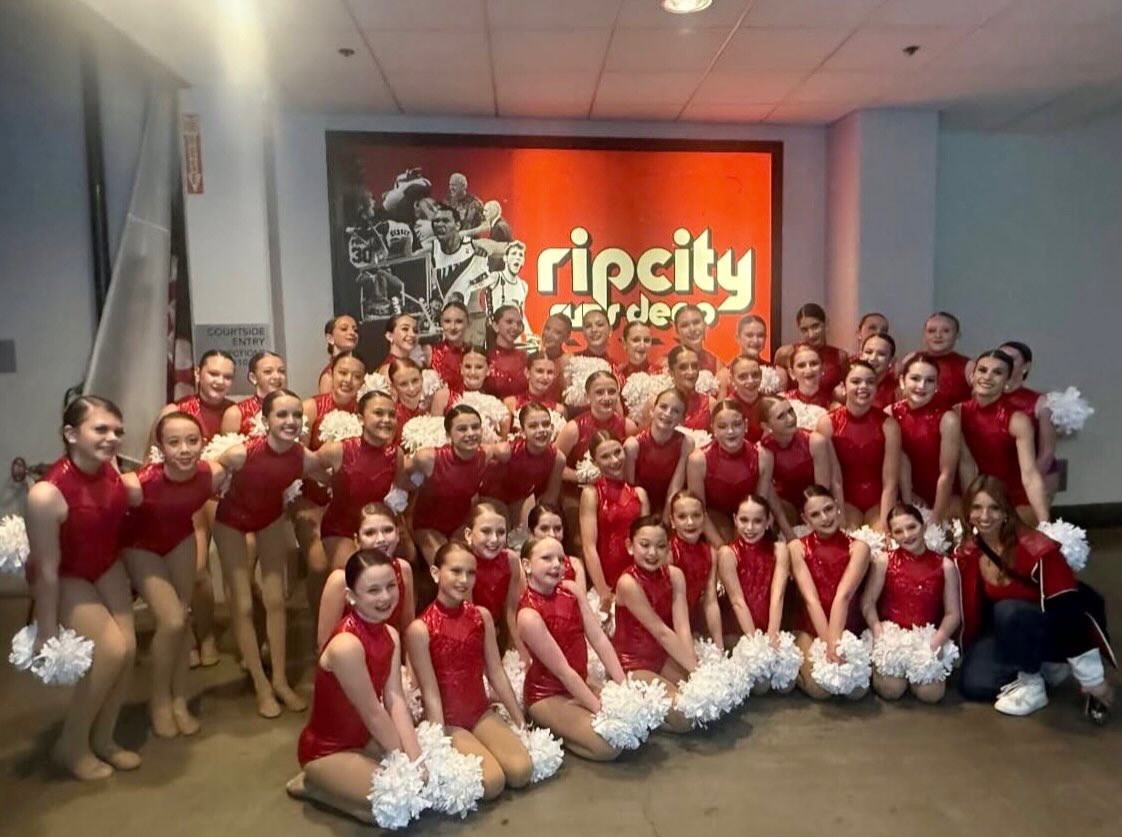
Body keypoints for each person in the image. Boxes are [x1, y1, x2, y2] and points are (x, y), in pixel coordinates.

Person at [25, 396, 137, 780]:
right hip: (67, 572)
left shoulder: (111, 468)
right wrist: (46, 630)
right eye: (101, 429)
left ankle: (103, 738)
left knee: (129, 649)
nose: (112, 438)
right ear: (70, 434)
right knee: (110, 650)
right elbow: (46, 570)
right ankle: (70, 745)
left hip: (105, 564)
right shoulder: (46, 494)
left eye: (117, 431)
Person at [955, 476, 1114, 721]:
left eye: (994, 508)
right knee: (974, 685)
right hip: (1008, 631)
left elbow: (1068, 610)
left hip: (1051, 628)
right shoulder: (969, 551)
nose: (984, 516)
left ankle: (1034, 680)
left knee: (1009, 610)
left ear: (1007, 511)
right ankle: (1044, 668)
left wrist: (1092, 679)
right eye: (977, 507)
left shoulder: (1037, 549)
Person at [213, 389, 325, 717]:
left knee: (277, 601)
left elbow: (331, 472)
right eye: (282, 415)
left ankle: (279, 680)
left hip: (269, 520)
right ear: (265, 421)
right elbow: (208, 479)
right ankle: (261, 685)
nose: (290, 422)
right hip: (231, 523)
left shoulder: (301, 456)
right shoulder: (240, 453)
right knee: (244, 603)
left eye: (296, 415)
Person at [288, 550, 422, 824]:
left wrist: (416, 760)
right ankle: (316, 783)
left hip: (364, 739)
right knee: (394, 803)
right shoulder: (346, 645)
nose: (385, 597)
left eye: (390, 586)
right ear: (351, 596)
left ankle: (340, 781)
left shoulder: (391, 635)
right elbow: (373, 711)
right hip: (328, 751)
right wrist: (404, 766)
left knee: (420, 786)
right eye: (373, 590)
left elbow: (395, 700)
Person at [121, 412, 226, 738]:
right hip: (140, 546)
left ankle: (179, 698)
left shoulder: (212, 474)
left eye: (192, 441)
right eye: (174, 442)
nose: (184, 449)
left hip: (179, 539)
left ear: (203, 443)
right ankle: (159, 701)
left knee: (183, 617)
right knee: (172, 621)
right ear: (160, 447)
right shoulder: (142, 483)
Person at [406, 541, 532, 800]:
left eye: (471, 573)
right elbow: (430, 692)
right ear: (435, 573)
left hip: (480, 711)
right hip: (449, 720)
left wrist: (520, 720)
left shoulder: (480, 616)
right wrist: (439, 743)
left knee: (521, 771)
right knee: (492, 782)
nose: (464, 580)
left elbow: (496, 672)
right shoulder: (421, 629)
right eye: (455, 571)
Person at [153, 349, 235, 669]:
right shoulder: (176, 411)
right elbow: (155, 457)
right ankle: (195, 635)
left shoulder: (235, 410)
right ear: (199, 374)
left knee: (236, 570)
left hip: (221, 495)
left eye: (227, 376)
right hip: (186, 497)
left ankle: (217, 632)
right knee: (196, 572)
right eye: (214, 374)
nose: (220, 381)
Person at [516, 536, 625, 761]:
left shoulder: (571, 590)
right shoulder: (529, 615)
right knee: (610, 745)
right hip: (546, 694)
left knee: (628, 720)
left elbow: (599, 639)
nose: (557, 564)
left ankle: (575, 720)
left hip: (578, 681)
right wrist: (598, 709)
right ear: (526, 565)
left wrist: (624, 686)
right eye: (546, 558)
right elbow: (563, 671)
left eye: (560, 558)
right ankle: (555, 728)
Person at [860, 504, 960, 703]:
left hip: (926, 638)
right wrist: (879, 631)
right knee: (891, 690)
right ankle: (890, 673)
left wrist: (935, 642)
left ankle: (914, 677)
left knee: (932, 695)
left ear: (923, 526)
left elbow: (953, 613)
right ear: (892, 535)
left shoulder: (945, 565)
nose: (907, 535)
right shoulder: (884, 561)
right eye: (898, 531)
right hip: (891, 636)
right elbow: (868, 602)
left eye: (911, 527)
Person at [295, 352, 366, 623]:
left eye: (356, 376)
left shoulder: (365, 411)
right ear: (331, 375)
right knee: (317, 565)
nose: (349, 380)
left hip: (349, 501)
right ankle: (319, 624)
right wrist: (326, 477)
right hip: (311, 496)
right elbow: (297, 455)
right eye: (343, 373)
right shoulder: (311, 407)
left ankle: (350, 622)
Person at [611, 516, 695, 733]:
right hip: (634, 664)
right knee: (685, 716)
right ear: (630, 546)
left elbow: (682, 627)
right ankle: (644, 715)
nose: (652, 553)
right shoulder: (628, 583)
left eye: (660, 546)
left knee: (701, 701)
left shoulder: (675, 576)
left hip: (664, 657)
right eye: (645, 545)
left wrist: (695, 670)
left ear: (669, 548)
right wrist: (698, 670)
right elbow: (661, 631)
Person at [788, 486, 872, 701]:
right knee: (820, 690)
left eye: (828, 509)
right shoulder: (797, 547)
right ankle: (793, 671)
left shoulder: (859, 548)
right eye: (815, 514)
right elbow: (811, 599)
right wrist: (828, 646)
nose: (824, 518)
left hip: (846, 626)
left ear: (837, 507)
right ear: (805, 519)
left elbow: (843, 596)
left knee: (857, 690)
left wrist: (837, 644)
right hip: (810, 626)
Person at [406, 405, 508, 569]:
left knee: (473, 565)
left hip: (461, 523)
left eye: (475, 427)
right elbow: (402, 473)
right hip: (428, 526)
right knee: (450, 567)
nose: (470, 433)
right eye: (462, 429)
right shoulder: (428, 458)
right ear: (448, 435)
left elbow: (504, 452)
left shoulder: (485, 455)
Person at [958, 349, 1049, 525]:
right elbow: (966, 465)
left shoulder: (1017, 420)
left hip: (1013, 500)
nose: (988, 377)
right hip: (977, 496)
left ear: (1007, 382)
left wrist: (1046, 524)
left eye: (997, 372)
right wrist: (970, 506)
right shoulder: (958, 413)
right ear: (972, 376)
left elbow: (1030, 474)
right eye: (982, 370)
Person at [317, 390, 401, 569]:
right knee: (355, 571)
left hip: (375, 528)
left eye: (391, 415)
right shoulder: (339, 450)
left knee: (405, 560)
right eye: (378, 413)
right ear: (361, 419)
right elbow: (306, 467)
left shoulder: (396, 454)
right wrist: (331, 480)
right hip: (340, 529)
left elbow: (405, 483)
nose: (386, 419)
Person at [317, 503, 415, 652]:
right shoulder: (340, 580)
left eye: (387, 530)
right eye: (370, 533)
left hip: (391, 660)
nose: (381, 539)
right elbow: (324, 646)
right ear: (357, 540)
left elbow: (408, 632)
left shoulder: (403, 569)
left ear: (397, 534)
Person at [717, 495, 791, 689]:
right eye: (744, 520)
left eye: (757, 521)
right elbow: (737, 600)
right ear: (735, 520)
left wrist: (773, 634)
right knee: (761, 685)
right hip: (739, 629)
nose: (749, 528)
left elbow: (778, 595)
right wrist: (756, 644)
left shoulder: (779, 549)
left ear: (768, 522)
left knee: (785, 684)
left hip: (770, 625)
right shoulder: (727, 553)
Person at [817, 360, 901, 530]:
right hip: (845, 501)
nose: (863, 387)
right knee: (848, 542)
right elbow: (835, 480)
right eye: (856, 381)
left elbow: (890, 482)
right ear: (843, 386)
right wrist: (839, 516)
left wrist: (886, 524)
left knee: (882, 542)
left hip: (879, 501)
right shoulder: (827, 423)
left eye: (870, 382)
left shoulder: (889, 425)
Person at [686, 399, 777, 546]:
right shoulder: (698, 460)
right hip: (715, 516)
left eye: (736, 424)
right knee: (727, 543)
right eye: (722, 426)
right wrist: (722, 548)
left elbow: (760, 505)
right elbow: (699, 510)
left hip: (748, 513)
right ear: (713, 428)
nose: (730, 431)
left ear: (745, 425)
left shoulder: (763, 456)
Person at [579, 431, 649, 607]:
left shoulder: (639, 494)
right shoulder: (591, 494)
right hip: (607, 581)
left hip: (639, 578)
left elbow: (648, 541)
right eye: (605, 456)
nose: (614, 460)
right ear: (595, 462)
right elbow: (589, 547)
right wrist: (603, 591)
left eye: (617, 452)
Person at [891, 354, 962, 522]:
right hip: (907, 494)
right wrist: (908, 501)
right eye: (915, 378)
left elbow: (947, 474)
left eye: (929, 381)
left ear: (937, 385)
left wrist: (935, 519)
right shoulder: (891, 413)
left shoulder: (948, 419)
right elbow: (897, 463)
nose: (921, 386)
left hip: (944, 496)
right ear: (902, 381)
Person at [759, 396, 833, 539]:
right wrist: (789, 534)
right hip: (785, 508)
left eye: (790, 411)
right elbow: (769, 497)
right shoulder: (764, 450)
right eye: (781, 416)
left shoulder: (815, 441)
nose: (790, 418)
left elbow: (822, 493)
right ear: (766, 426)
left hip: (814, 503)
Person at [479, 402, 564, 526]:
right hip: (493, 496)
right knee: (502, 527)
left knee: (525, 533)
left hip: (520, 498)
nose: (541, 430)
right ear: (523, 432)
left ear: (552, 428)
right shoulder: (507, 451)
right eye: (533, 426)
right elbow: (478, 453)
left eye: (545, 424)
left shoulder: (558, 458)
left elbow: (550, 499)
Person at [463, 501, 526, 652]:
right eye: (486, 531)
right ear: (469, 534)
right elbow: (468, 619)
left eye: (500, 532)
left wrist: (518, 652)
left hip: (495, 629)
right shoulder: (463, 563)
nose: (494, 540)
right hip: (466, 633)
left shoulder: (510, 560)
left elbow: (511, 612)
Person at [998, 340, 1059, 495]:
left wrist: (1027, 484)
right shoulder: (985, 398)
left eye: (1011, 358)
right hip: (997, 477)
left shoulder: (1041, 402)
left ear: (1026, 366)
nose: (1006, 363)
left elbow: (1047, 452)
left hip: (1036, 475)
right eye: (1001, 357)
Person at [624, 388, 691, 517]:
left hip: (671, 507)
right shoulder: (633, 445)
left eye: (675, 411)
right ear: (652, 410)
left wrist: (666, 522)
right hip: (640, 506)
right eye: (663, 407)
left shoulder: (686, 443)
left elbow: (675, 489)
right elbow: (631, 491)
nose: (667, 413)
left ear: (682, 419)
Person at [667, 490, 722, 645]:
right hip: (667, 626)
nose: (690, 522)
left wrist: (719, 648)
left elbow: (710, 602)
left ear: (704, 518)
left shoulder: (710, 552)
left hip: (691, 623)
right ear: (672, 521)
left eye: (696, 516)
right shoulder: (668, 553)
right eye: (682, 516)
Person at [774, 304, 849, 395]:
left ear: (826, 323)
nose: (811, 334)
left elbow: (847, 390)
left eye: (815, 326)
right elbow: (778, 392)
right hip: (794, 407)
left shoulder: (840, 356)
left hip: (829, 408)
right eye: (804, 330)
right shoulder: (785, 353)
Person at [221, 350, 288, 434]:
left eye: (281, 371)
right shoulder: (236, 414)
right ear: (253, 378)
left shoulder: (294, 408)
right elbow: (226, 446)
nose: (277, 376)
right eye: (268, 371)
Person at [718, 314, 786, 395]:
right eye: (749, 335)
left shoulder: (779, 373)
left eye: (760, 335)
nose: (755, 340)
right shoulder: (725, 375)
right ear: (737, 337)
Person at [527, 502, 587, 590]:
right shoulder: (523, 566)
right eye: (544, 529)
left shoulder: (575, 564)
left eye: (557, 529)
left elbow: (582, 601)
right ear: (531, 533)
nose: (552, 535)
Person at [917, 312, 971, 409]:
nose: (938, 335)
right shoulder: (911, 360)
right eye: (931, 331)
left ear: (957, 335)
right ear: (924, 334)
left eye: (946, 331)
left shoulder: (968, 366)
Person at [485, 304, 529, 399]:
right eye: (509, 322)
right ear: (496, 326)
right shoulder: (485, 357)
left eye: (519, 323)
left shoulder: (524, 357)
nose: (515, 327)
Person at [664, 345, 711, 430]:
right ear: (671, 372)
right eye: (683, 367)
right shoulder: (659, 405)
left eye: (694, 366)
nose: (691, 372)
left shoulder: (710, 404)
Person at [426, 300, 469, 392]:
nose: (452, 327)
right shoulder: (430, 354)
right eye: (447, 321)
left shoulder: (475, 354)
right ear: (441, 323)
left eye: (459, 321)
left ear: (468, 323)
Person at [723, 355, 766, 442]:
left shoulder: (769, 403)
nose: (750, 381)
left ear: (761, 375)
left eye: (755, 375)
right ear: (732, 379)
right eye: (742, 377)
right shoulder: (726, 408)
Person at [386, 357, 428, 438]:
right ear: (393, 387)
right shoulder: (392, 418)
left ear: (422, 379)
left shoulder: (432, 405)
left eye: (415, 380)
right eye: (403, 384)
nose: (412, 388)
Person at [673, 304, 721, 373]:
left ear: (705, 325)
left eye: (696, 322)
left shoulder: (716, 364)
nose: (692, 329)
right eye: (685, 325)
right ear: (676, 331)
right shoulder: (665, 364)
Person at [318, 315, 360, 393]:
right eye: (344, 329)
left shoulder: (360, 369)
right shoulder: (329, 376)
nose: (352, 333)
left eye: (355, 330)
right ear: (330, 338)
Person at [784, 344, 834, 409]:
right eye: (801, 365)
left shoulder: (832, 406)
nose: (808, 370)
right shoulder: (783, 402)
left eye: (814, 363)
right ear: (792, 373)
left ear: (822, 369)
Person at [858, 333, 899, 409]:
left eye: (881, 354)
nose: (873, 358)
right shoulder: (847, 386)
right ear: (861, 355)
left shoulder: (898, 391)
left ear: (892, 361)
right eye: (868, 352)